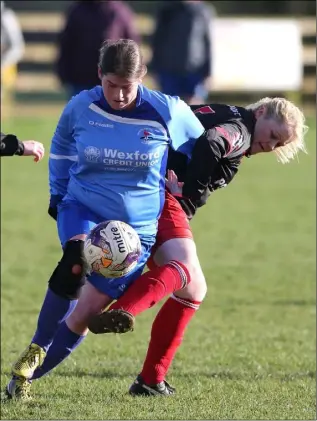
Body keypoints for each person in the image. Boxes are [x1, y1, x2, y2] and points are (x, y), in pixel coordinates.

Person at [4, 38, 205, 401]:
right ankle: (35, 349)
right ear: (100, 75)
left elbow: (203, 148)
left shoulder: (168, 111)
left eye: (127, 86)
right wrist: (57, 194)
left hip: (136, 234)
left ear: (141, 77)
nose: (119, 94)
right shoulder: (81, 106)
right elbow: (62, 148)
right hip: (82, 208)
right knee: (74, 262)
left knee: (86, 313)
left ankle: (21, 383)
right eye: (111, 85)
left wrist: (188, 186)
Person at [87, 98, 308, 396]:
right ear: (260, 113)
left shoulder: (221, 110)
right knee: (186, 274)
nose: (270, 146)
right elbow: (213, 143)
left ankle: (151, 380)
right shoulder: (240, 130)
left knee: (192, 289)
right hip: (161, 197)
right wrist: (192, 191)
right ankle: (126, 311)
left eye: (278, 144)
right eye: (272, 135)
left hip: (140, 187)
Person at [56, 0, 140, 99]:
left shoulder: (119, 11)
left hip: (113, 79)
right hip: (81, 79)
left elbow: (132, 45)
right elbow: (66, 43)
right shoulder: (77, 11)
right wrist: (63, 72)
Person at [150, 0, 215, 104]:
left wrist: (209, 72)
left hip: (195, 71)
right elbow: (157, 41)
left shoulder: (203, 10)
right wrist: (154, 68)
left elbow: (207, 43)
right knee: (170, 108)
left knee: (196, 109)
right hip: (168, 70)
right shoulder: (167, 10)